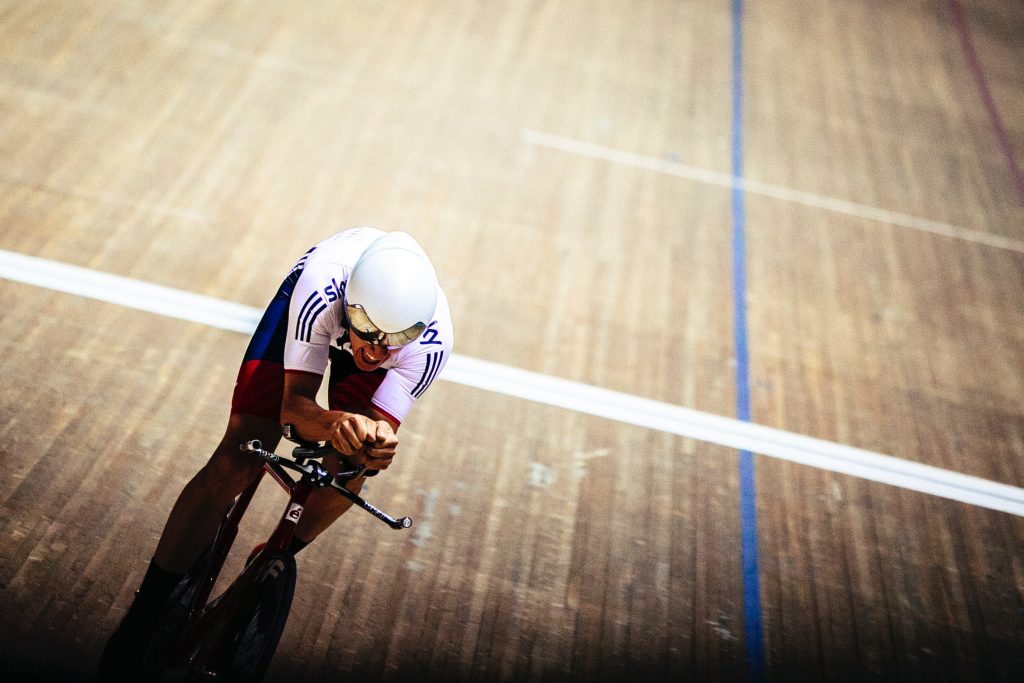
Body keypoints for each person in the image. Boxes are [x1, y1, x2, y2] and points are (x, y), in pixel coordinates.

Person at [99, 227, 453, 678]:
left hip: (371, 325)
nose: (376, 348)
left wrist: (374, 447)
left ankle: (272, 559)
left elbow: (376, 431)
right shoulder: (323, 289)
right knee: (243, 452)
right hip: (310, 314)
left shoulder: (429, 344)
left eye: (397, 336)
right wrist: (330, 422)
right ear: (351, 305)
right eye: (368, 331)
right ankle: (143, 616)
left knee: (352, 466)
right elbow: (293, 407)